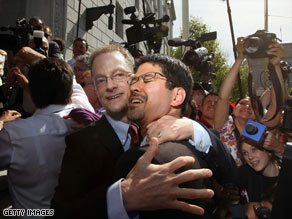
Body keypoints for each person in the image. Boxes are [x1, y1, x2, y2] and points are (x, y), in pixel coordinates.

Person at [51, 44, 216, 219]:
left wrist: (195, 128)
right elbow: (58, 213)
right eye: (100, 80)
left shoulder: (166, 125)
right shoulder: (81, 143)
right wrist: (122, 198)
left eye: (119, 75)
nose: (110, 86)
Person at [114, 54, 238, 218]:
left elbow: (234, 179)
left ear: (177, 96)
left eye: (147, 78)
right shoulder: (192, 147)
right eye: (134, 80)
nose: (134, 88)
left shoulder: (143, 161)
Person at [0, 58, 93, 215]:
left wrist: (1, 121)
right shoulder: (84, 109)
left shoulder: (13, 134)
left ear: (31, 94)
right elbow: (71, 83)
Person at [214, 37, 285, 167]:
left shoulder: (258, 129)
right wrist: (240, 58)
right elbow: (223, 97)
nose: (247, 106)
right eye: (242, 103)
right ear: (234, 108)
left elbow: (277, 106)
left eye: (253, 106)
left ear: (258, 114)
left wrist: (276, 65)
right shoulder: (224, 126)